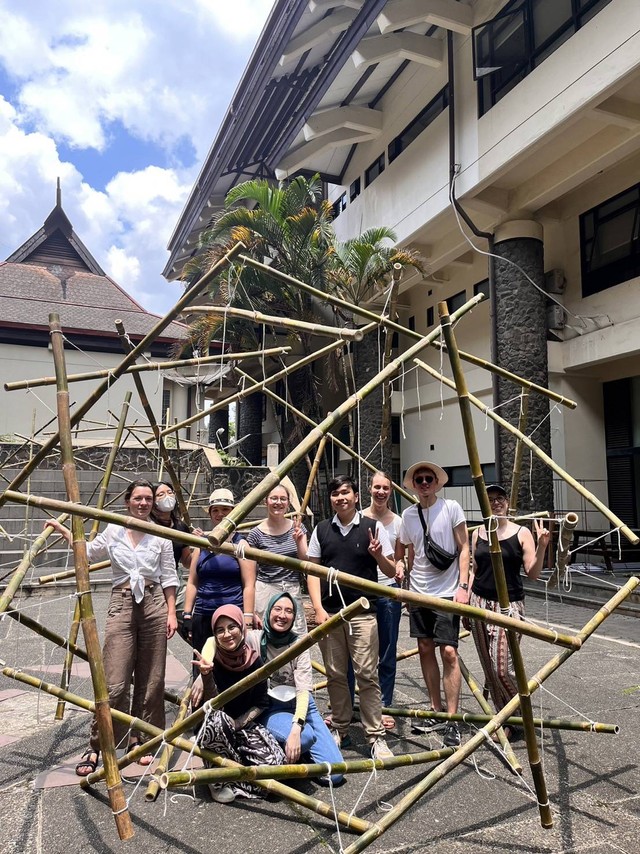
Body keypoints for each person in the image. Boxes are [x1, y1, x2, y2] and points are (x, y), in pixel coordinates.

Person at [47, 479, 178, 776]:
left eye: (148, 499)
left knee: (152, 678)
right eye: (138, 499)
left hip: (155, 603)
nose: (143, 504)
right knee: (115, 680)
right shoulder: (115, 529)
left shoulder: (162, 535)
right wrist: (64, 529)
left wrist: (171, 612)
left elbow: (170, 577)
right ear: (127, 501)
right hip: (121, 603)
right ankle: (100, 744)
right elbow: (89, 553)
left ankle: (141, 739)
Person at [307, 474, 395, 761]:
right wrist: (318, 609)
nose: (341, 498)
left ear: (356, 496)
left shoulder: (373, 527)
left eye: (346, 492)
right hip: (331, 614)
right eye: (335, 494)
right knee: (334, 674)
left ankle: (375, 736)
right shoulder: (321, 529)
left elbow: (392, 571)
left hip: (363, 613)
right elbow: (312, 571)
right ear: (330, 499)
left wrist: (379, 555)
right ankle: (341, 728)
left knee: (367, 674)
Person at [395, 461, 469, 748]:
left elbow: (464, 548)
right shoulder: (408, 516)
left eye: (429, 479)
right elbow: (405, 550)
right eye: (419, 479)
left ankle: (452, 718)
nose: (424, 483)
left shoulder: (451, 508)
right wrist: (400, 570)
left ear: (437, 483)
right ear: (413, 485)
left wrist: (463, 586)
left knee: (449, 651)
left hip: (448, 591)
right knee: (425, 647)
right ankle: (435, 709)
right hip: (418, 591)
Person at [468, 484, 549, 739]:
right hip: (479, 603)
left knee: (503, 668)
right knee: (490, 670)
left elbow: (533, 573)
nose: (495, 503)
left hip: (509, 607)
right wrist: (466, 606)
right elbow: (473, 570)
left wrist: (543, 544)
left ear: (507, 502)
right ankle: (507, 723)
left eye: (500, 498)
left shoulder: (521, 532)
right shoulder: (478, 533)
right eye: (490, 499)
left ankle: (522, 715)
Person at [191, 604, 285, 803]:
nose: (227, 634)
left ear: (242, 628)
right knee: (219, 720)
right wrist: (205, 676)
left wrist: (240, 723)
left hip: (242, 725)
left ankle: (234, 768)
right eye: (220, 630)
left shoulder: (254, 660)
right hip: (215, 729)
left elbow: (261, 702)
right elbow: (211, 708)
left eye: (232, 627)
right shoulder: (208, 661)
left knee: (277, 768)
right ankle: (218, 779)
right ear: (214, 635)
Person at [247, 592, 344, 786]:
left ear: (294, 617)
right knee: (306, 736)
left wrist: (296, 727)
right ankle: (294, 747)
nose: (282, 615)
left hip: (300, 705)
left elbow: (303, 691)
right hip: (270, 707)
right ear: (268, 612)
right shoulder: (254, 639)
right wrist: (202, 676)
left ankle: (300, 750)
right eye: (278, 609)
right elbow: (217, 640)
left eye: (289, 611)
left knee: (334, 775)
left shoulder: (299, 644)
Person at [183, 488, 256, 654]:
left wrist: (248, 618)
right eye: (215, 510)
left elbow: (249, 585)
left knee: (232, 665)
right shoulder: (201, 544)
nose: (219, 514)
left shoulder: (241, 544)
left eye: (225, 509)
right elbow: (192, 582)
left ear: (232, 512)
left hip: (231, 614)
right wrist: (187, 614)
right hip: (203, 612)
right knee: (203, 663)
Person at [363, 471, 403, 730]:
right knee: (360, 650)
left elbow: (400, 557)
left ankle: (384, 704)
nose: (380, 492)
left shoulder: (398, 522)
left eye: (385, 488)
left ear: (390, 491)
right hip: (362, 589)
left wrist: (400, 567)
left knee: (387, 651)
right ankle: (358, 703)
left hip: (388, 589)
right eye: (376, 487)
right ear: (369, 489)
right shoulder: (359, 518)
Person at [246, 484, 309, 636]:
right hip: (265, 589)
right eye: (274, 498)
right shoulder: (255, 534)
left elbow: (306, 560)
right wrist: (250, 610)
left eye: (283, 499)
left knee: (297, 634)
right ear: (265, 501)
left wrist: (299, 540)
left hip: (291, 587)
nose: (278, 502)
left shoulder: (298, 528)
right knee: (265, 635)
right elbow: (250, 576)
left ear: (288, 503)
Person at [151, 481, 193, 634]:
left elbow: (187, 561)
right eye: (161, 494)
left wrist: (202, 546)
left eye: (169, 493)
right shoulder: (147, 525)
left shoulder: (180, 527)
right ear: (153, 501)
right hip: (152, 583)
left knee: (191, 626)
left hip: (175, 580)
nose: (167, 497)